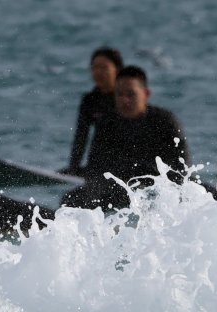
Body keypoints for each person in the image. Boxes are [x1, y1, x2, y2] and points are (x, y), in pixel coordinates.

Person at [61, 65, 191, 210]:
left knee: (207, 192)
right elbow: (96, 166)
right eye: (119, 94)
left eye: (130, 94)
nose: (124, 100)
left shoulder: (165, 121)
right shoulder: (107, 123)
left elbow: (183, 167)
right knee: (70, 199)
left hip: (158, 189)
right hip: (118, 190)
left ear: (146, 94)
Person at [60, 47, 124, 177]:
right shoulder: (89, 100)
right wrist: (73, 168)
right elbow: (81, 137)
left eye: (104, 67)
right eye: (94, 67)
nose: (98, 72)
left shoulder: (126, 100)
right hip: (96, 167)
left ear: (117, 70)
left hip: (124, 168)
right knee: (61, 174)